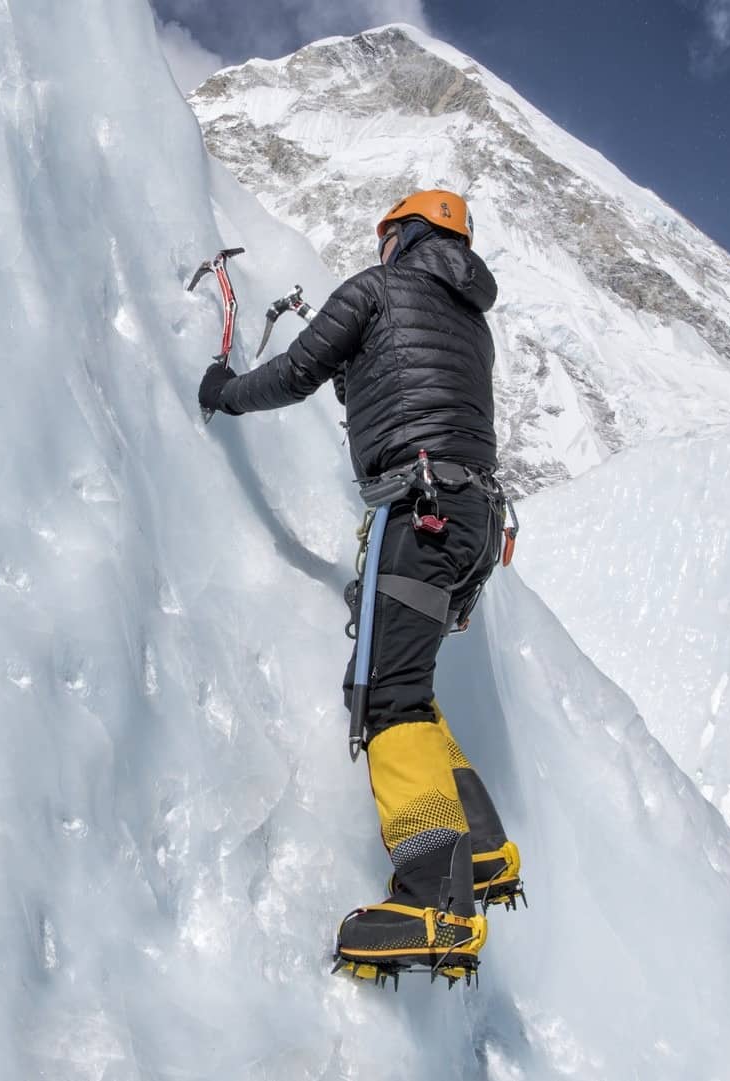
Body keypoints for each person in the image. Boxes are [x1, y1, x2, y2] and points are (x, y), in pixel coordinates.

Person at [197, 190, 522, 984]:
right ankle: (480, 853)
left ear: (400, 237)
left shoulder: (377, 290)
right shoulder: (470, 323)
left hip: (420, 513)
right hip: (475, 522)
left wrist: (221, 391)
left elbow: (299, 371)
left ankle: (433, 902)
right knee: (410, 686)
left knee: (387, 699)